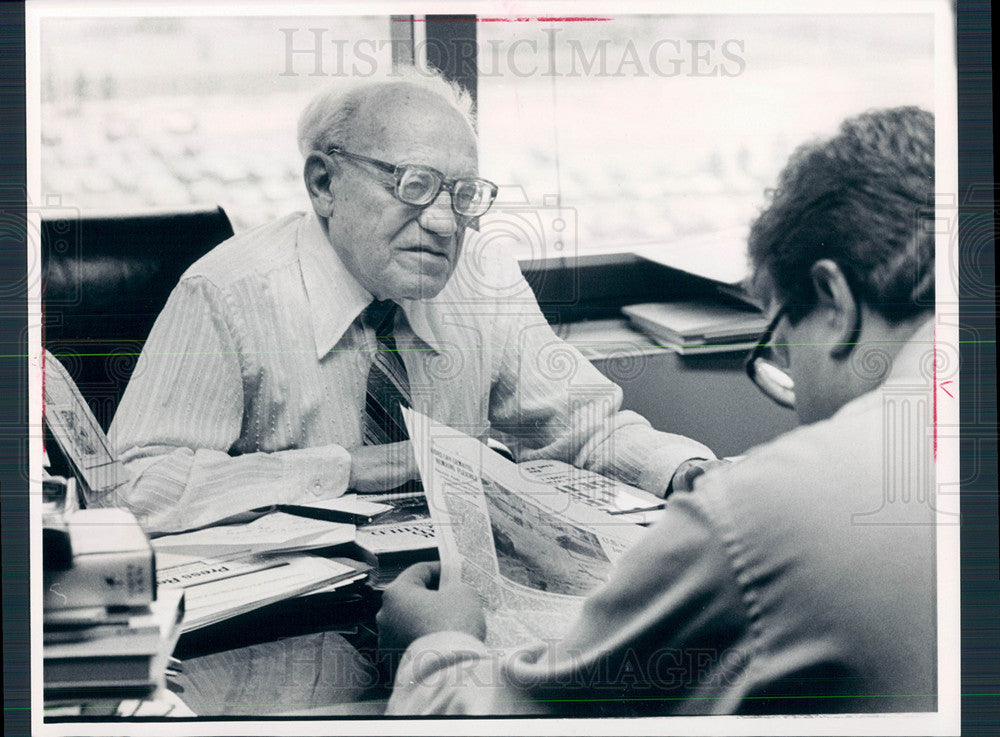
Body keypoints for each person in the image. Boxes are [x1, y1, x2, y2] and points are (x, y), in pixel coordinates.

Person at [378, 106, 938, 715]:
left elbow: (507, 720)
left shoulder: (761, 510)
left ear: (834, 303)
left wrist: (437, 643)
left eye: (780, 346)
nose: (797, 396)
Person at [104, 67, 715, 535]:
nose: (447, 223)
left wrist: (688, 472)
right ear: (324, 183)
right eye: (415, 186)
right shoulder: (229, 293)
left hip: (451, 585)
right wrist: (348, 469)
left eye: (464, 194)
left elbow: (584, 427)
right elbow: (131, 487)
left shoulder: (483, 273)